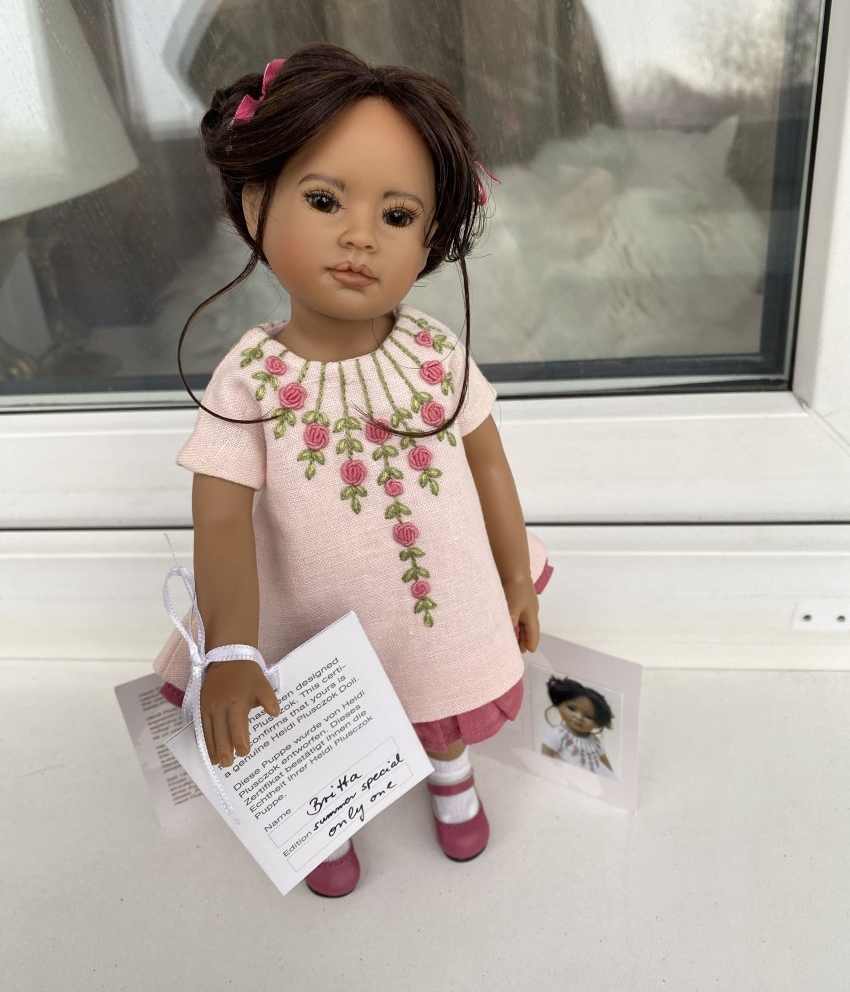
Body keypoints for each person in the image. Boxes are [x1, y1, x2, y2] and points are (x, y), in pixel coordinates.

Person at [153, 44, 552, 897]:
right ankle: (323, 816)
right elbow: (219, 518)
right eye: (325, 200)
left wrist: (514, 572)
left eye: (398, 214)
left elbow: (488, 460)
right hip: (309, 608)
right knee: (310, 717)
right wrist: (231, 647)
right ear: (255, 201)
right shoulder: (251, 379)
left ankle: (452, 777)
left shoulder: (436, 351)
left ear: (432, 237)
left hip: (434, 597)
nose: (360, 236)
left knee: (440, 691)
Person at [540, 675, 614, 775]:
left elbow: (606, 764)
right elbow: (546, 759)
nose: (579, 717)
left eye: (588, 716)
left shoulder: (596, 742)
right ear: (559, 704)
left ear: (597, 723)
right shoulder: (557, 734)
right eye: (571, 708)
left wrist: (611, 781)